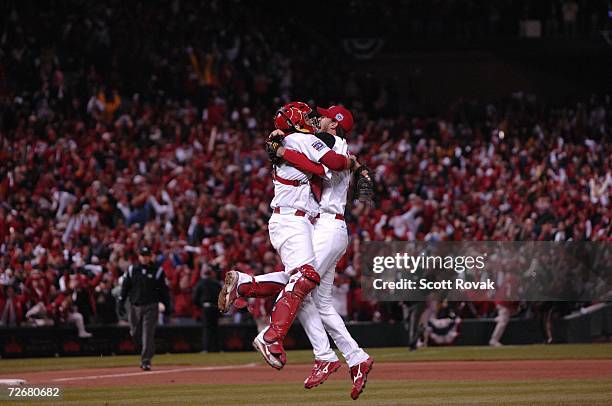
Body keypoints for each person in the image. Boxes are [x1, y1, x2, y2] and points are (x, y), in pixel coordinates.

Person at [219, 103, 373, 399]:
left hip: (326, 225)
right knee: (319, 300)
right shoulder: (325, 141)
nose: (318, 118)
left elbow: (326, 161)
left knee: (302, 282)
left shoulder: (333, 142)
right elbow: (319, 163)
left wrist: (281, 149)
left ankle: (249, 289)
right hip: (326, 225)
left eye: (324, 116)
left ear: (334, 123)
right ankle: (356, 358)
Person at [119, 246, 170, 371]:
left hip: (151, 306)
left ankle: (146, 360)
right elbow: (125, 287)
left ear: (150, 256)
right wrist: (120, 301)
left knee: (148, 334)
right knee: (135, 333)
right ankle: (147, 350)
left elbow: (163, 290)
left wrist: (167, 305)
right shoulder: (132, 270)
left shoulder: (157, 271)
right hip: (135, 306)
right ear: (139, 256)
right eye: (143, 255)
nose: (145, 258)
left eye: (147, 255)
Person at [192, 270, 222, 352]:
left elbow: (195, 298)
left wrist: (200, 305)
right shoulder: (216, 283)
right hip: (215, 307)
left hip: (206, 307)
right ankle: (216, 349)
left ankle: (206, 348)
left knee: (207, 328)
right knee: (215, 328)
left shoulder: (200, 283)